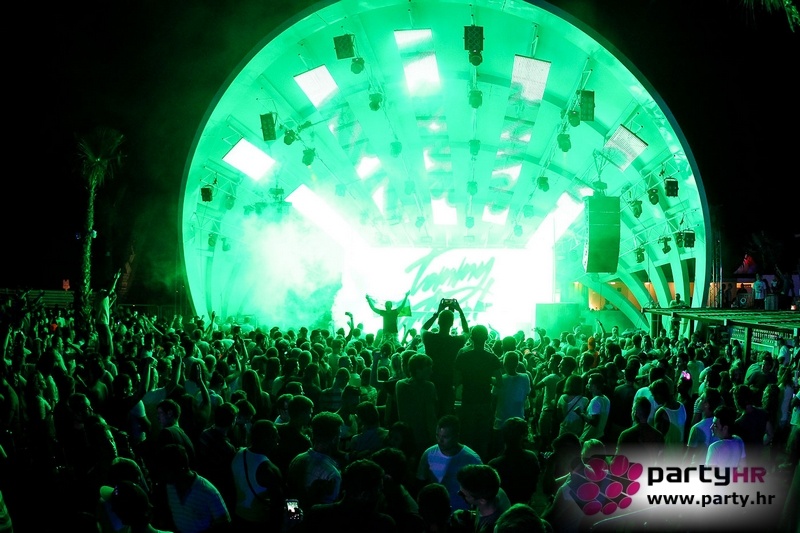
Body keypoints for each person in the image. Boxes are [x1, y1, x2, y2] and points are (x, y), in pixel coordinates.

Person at [300, 458, 397, 533]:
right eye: (379, 489)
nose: (382, 494)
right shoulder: (383, 524)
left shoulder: (318, 513)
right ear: (364, 495)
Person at [454, 325, 503, 460]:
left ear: (471, 337)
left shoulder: (463, 357)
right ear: (487, 338)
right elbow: (499, 382)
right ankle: (482, 464)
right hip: (485, 402)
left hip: (468, 401)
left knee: (467, 437)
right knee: (483, 438)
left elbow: (456, 381)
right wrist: (487, 378)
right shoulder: (492, 358)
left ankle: (466, 464)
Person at [159, 443, 231, 533]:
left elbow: (224, 522)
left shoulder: (207, 491)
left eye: (166, 471)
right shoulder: (170, 487)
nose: (162, 475)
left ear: (181, 468)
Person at [416, 414, 482, 512]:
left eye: (445, 437)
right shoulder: (428, 454)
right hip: (435, 512)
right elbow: (420, 484)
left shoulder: (471, 459)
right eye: (437, 435)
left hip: (461, 513)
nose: (440, 440)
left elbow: (481, 491)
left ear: (456, 436)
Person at [230, 419, 284, 532]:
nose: (278, 438)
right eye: (275, 435)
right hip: (258, 522)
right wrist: (295, 517)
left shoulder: (238, 453)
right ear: (265, 439)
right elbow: (280, 503)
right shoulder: (269, 469)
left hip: (237, 516)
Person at [422, 300, 470, 417]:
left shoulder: (429, 337)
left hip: (431, 380)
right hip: (448, 382)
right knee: (446, 415)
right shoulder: (457, 341)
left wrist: (437, 313)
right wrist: (460, 312)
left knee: (430, 413)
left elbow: (423, 329)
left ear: (438, 322)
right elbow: (466, 332)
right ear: (452, 324)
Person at [287, 411, 344, 509]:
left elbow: (290, 497)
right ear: (334, 438)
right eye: (339, 435)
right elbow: (328, 510)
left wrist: (293, 516)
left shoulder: (297, 460)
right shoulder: (332, 473)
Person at [487, 417, 540, 506]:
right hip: (524, 505)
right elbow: (533, 486)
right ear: (524, 435)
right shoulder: (531, 458)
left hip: (502, 508)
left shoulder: (494, 464)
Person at [395, 353, 439, 458]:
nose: (431, 372)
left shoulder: (400, 385)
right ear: (418, 370)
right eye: (428, 369)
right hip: (423, 437)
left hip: (405, 435)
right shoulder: (429, 387)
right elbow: (430, 415)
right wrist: (435, 437)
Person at [451, 464, 511, 533]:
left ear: (482, 500)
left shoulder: (491, 527)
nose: (459, 494)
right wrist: (469, 515)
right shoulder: (495, 491)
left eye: (463, 495)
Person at [615, 397, 665, 465]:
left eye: (633, 409)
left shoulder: (625, 435)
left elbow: (617, 462)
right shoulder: (659, 436)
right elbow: (660, 462)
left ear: (635, 412)